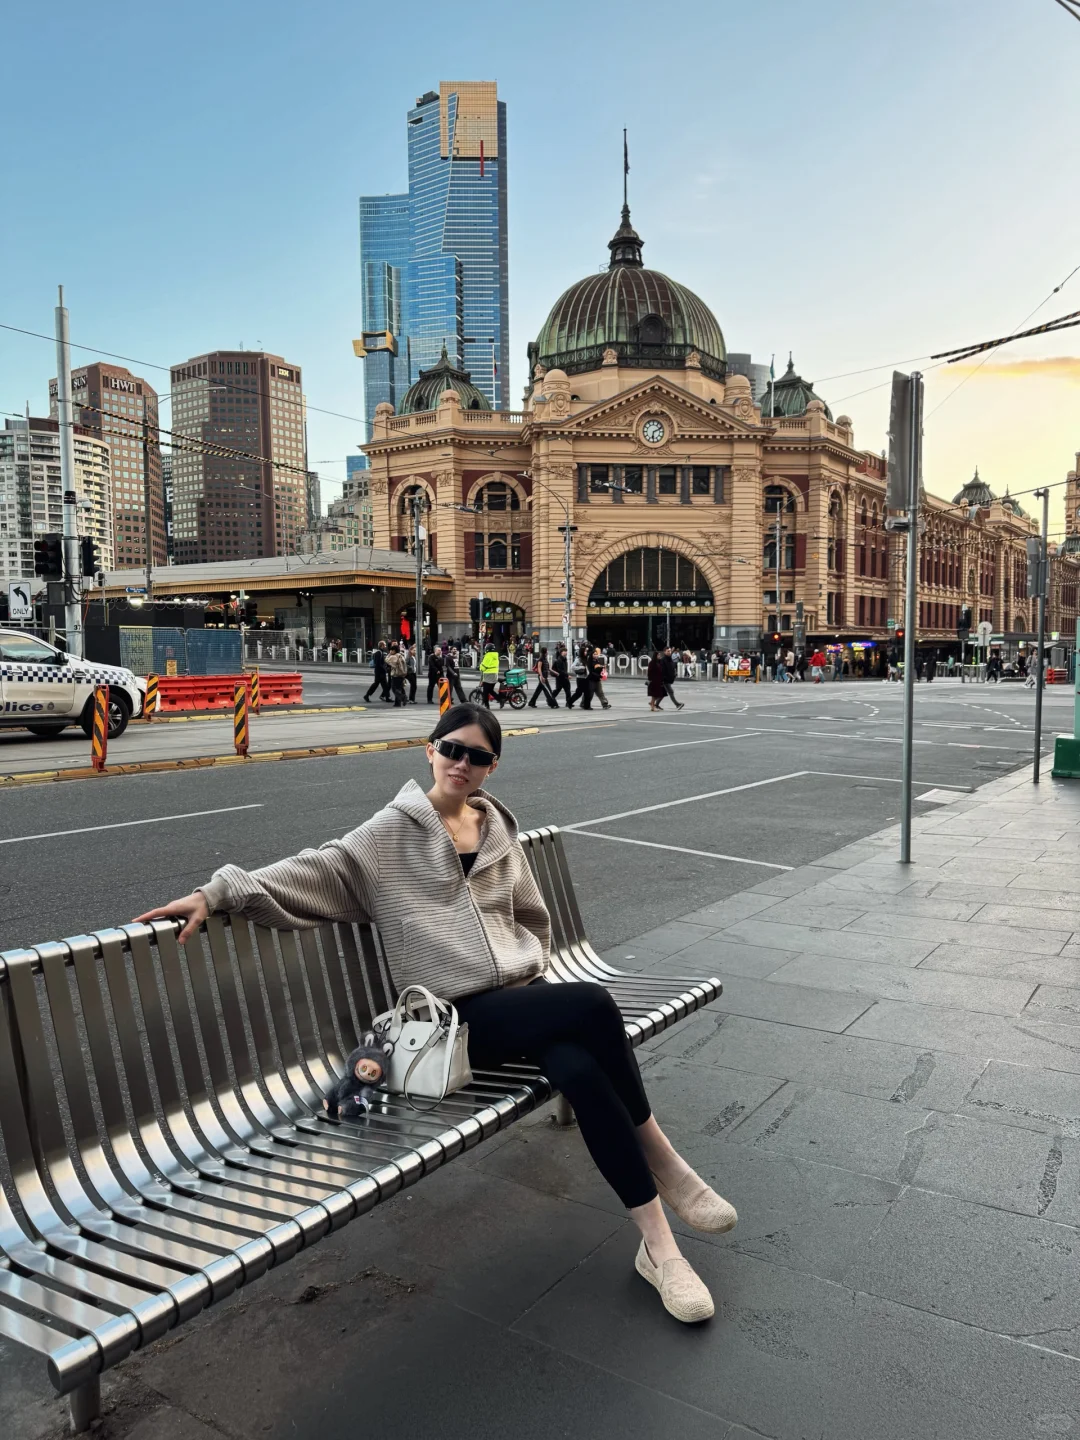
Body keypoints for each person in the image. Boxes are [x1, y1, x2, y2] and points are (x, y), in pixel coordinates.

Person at [135, 704, 735, 1323]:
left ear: (492, 766)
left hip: (518, 1003)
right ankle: (663, 1158)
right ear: (429, 750)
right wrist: (216, 892)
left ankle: (660, 1250)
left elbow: (532, 915)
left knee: (579, 1069)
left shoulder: (497, 832)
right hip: (455, 1022)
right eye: (451, 748)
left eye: (477, 756)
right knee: (592, 1003)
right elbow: (312, 869)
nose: (461, 763)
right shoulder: (387, 836)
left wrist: (525, 969)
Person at [479, 644, 500, 708]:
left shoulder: (488, 655)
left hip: (488, 675)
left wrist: (480, 668)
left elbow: (484, 666)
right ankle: (500, 699)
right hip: (494, 675)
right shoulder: (495, 655)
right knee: (490, 690)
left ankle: (487, 706)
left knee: (485, 692)